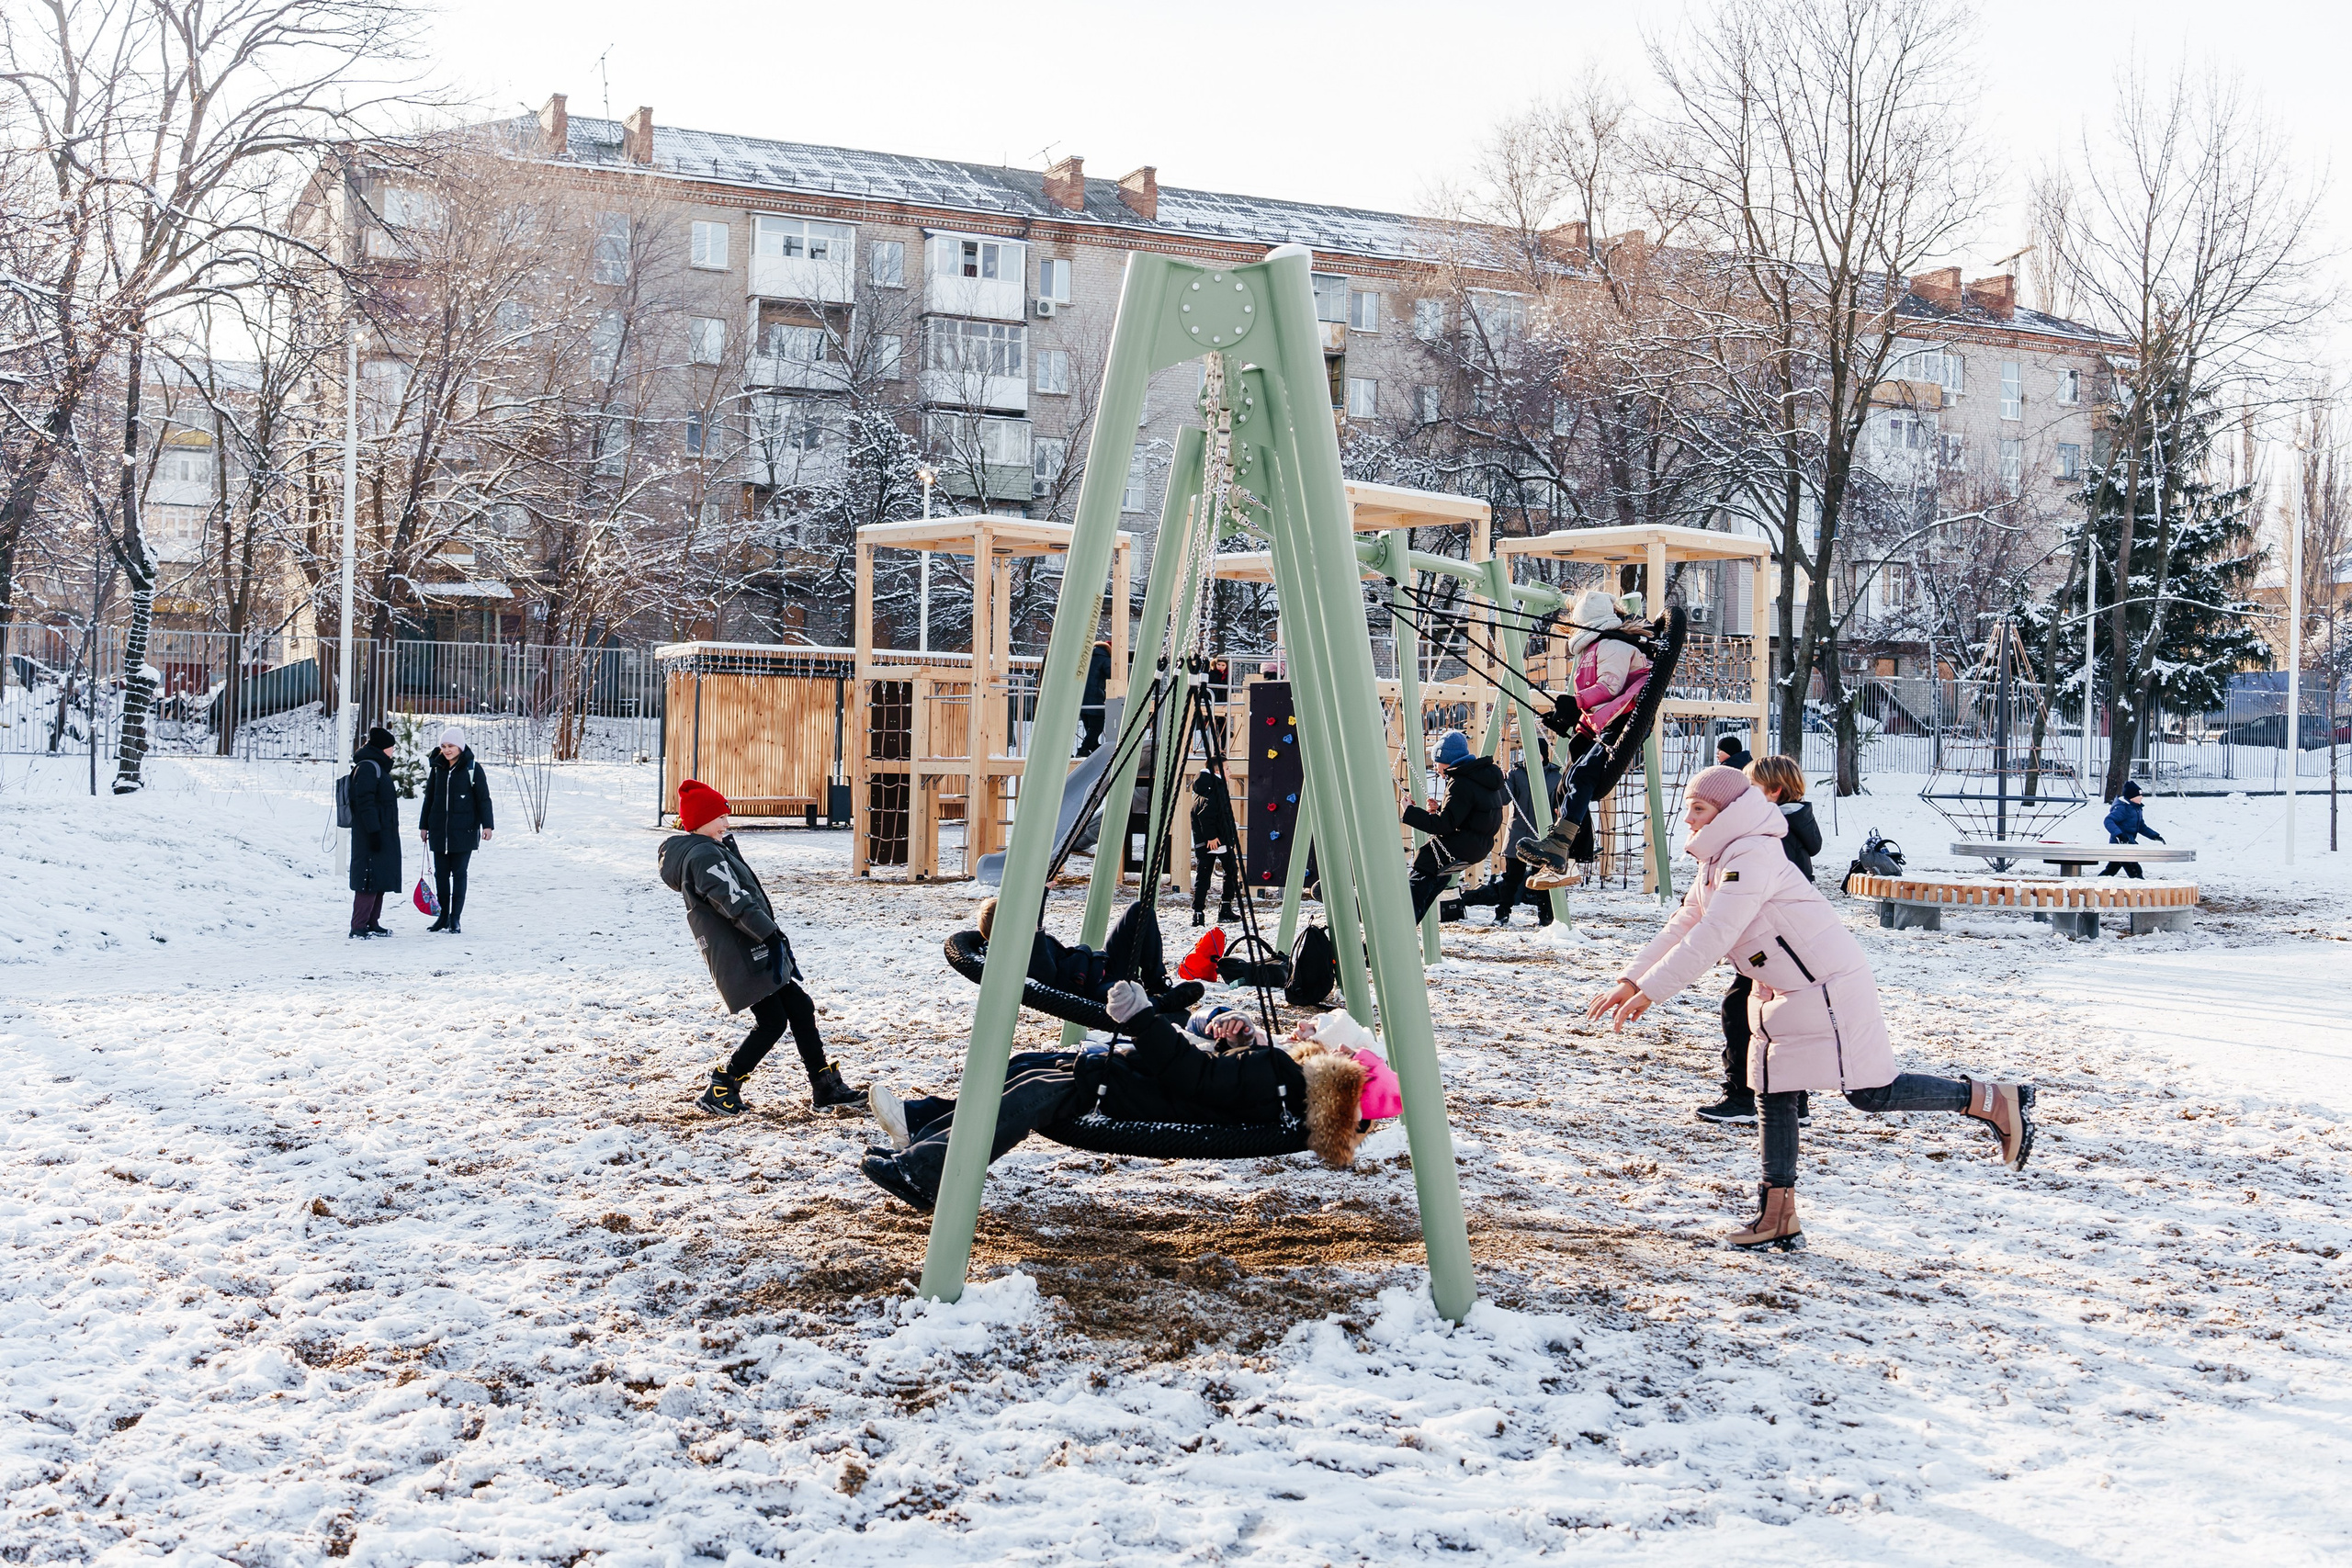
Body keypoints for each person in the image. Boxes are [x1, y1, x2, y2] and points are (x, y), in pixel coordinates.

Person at [1589, 765, 2036, 1250]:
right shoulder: (1719, 857)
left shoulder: (1752, 854)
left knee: (1871, 1093)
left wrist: (1653, 991)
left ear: (1726, 811)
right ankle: (1777, 1216)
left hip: (1825, 986)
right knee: (1772, 1093)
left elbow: (1715, 934)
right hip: (1780, 988)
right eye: (1689, 808)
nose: (1688, 819)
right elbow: (1685, 922)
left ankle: (1991, 1100)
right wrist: (1631, 979)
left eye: (1699, 808)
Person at [859, 987, 1396, 1212]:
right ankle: (923, 1133)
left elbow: (1194, 1078)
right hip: (1135, 1083)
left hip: (1131, 1095)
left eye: (1347, 1051)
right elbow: (1217, 1077)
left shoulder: (1280, 1077)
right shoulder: (1284, 1082)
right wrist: (1235, 1039)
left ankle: (929, 1172)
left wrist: (1142, 1019)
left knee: (1026, 1095)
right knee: (1023, 1072)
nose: (1334, 1043)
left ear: (1342, 1078)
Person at [659, 779, 864, 1116]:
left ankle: (823, 1085)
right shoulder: (703, 855)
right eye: (720, 817)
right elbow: (734, 901)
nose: (727, 823)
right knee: (772, 1021)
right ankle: (722, 1086)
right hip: (742, 952)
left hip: (750, 946)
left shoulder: (711, 850)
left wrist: (771, 937)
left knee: (799, 1006)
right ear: (701, 820)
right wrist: (770, 936)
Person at [1697, 755, 1824, 1124]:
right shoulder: (1790, 827)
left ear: (1774, 792)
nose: (1742, 799)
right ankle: (1794, 1100)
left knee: (1741, 1013)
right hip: (1784, 940)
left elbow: (1758, 890)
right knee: (1773, 1017)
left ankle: (1743, 1096)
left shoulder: (1775, 833)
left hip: (1772, 941)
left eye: (1751, 789)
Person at [1515, 591, 1659, 890]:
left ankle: (1561, 843)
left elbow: (1610, 688)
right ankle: (1565, 857)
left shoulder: (1615, 645)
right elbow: (1596, 702)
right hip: (1608, 719)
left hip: (1627, 717)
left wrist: (1576, 702)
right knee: (1565, 785)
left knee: (1583, 774)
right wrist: (1568, 717)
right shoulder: (1594, 649)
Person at [973, 895, 1203, 1013]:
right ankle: (1160, 1004)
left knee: (1139, 910)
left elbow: (1034, 920)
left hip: (1100, 964)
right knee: (1123, 996)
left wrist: (1042, 890)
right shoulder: (1016, 958)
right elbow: (1047, 975)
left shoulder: (1024, 941)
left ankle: (1155, 982)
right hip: (1089, 990)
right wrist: (1033, 934)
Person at [1400, 729, 1508, 925]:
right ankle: (1410, 919)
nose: (1435, 768)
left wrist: (1409, 812)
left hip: (1463, 844)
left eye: (1436, 762)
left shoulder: (1460, 782)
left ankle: (1402, 922)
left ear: (1446, 759)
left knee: (1424, 863)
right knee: (1436, 878)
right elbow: (1471, 813)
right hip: (1480, 846)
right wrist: (1440, 809)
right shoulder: (1481, 777)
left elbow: (1444, 825)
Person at [1458, 748, 1563, 927]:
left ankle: (1545, 916)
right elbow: (1503, 798)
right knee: (1511, 879)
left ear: (1544, 755)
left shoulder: (1555, 777)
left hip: (1542, 835)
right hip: (1518, 833)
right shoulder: (1517, 774)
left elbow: (1560, 803)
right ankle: (1502, 913)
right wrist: (1501, 782)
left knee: (1542, 879)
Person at [418, 726, 493, 934]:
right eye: (443, 746)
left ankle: (455, 918)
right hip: (439, 831)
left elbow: (483, 799)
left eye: (450, 745)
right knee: (441, 875)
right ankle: (443, 916)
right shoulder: (437, 768)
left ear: (460, 746)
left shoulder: (472, 768)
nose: (446, 750)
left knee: (459, 874)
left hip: (464, 831)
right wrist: (424, 825)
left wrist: (487, 825)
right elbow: (429, 798)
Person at [347, 725, 402, 939]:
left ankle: (372, 922)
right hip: (371, 833)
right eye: (391, 747)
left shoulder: (375, 766)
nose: (393, 751)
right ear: (383, 748)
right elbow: (365, 802)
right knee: (368, 880)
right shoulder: (368, 768)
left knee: (378, 877)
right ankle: (359, 925)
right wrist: (374, 831)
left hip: (381, 831)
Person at [1189, 768, 1240, 927]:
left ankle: (1198, 913)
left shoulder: (1202, 790)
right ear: (1218, 770)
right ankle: (1225, 907)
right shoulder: (1215, 790)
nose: (1230, 772)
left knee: (1203, 875)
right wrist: (1212, 837)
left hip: (1205, 842)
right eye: (1227, 768)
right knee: (1231, 870)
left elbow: (1205, 814)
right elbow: (1207, 815)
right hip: (1218, 841)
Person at [2100, 780, 2163, 878]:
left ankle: (2097, 883)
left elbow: (2141, 827)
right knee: (2135, 870)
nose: (2142, 797)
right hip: (2121, 845)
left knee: (2111, 869)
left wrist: (2154, 836)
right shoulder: (2122, 808)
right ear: (2132, 797)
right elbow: (2108, 820)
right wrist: (2119, 835)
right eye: (2139, 795)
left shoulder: (2136, 809)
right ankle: (2139, 884)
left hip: (2128, 844)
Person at [1078, 638, 1113, 756]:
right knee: (1097, 726)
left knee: (1090, 726)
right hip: (1095, 697)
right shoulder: (1105, 659)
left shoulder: (1086, 658)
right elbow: (1112, 675)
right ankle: (1083, 749)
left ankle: (1095, 748)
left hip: (1081, 698)